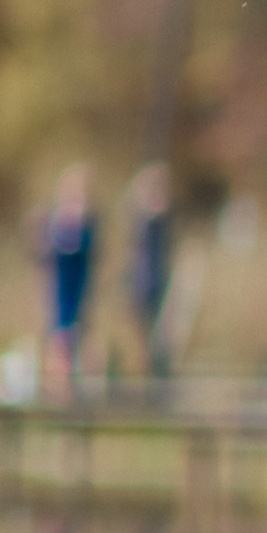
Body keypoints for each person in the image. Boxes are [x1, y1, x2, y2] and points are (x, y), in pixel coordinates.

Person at [33, 167, 97, 402]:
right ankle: (57, 389)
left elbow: (88, 252)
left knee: (75, 335)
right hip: (60, 289)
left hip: (78, 287)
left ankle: (71, 390)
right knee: (60, 336)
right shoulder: (55, 220)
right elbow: (48, 255)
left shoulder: (87, 221)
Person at [123, 164, 174, 386]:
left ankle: (155, 372)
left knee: (159, 330)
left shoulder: (164, 212)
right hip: (143, 277)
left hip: (159, 275)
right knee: (143, 330)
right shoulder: (141, 213)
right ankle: (143, 375)